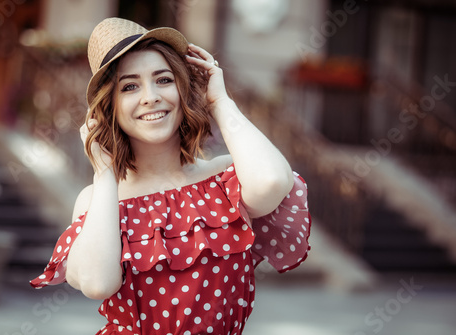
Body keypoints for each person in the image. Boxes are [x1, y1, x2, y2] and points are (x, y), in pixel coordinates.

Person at [30, 17, 311, 335]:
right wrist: (105, 173)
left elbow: (272, 182)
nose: (150, 96)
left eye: (163, 80)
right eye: (130, 86)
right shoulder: (99, 198)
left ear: (182, 88)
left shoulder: (223, 180)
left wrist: (219, 101)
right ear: (109, 107)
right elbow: (97, 283)